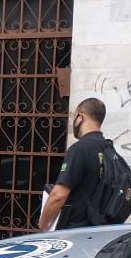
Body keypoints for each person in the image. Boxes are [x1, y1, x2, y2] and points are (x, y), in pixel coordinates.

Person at [39, 97, 108, 232]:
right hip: (98, 230)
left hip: (75, 231)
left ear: (80, 117)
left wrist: (43, 224)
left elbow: (58, 196)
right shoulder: (107, 148)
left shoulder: (80, 149)